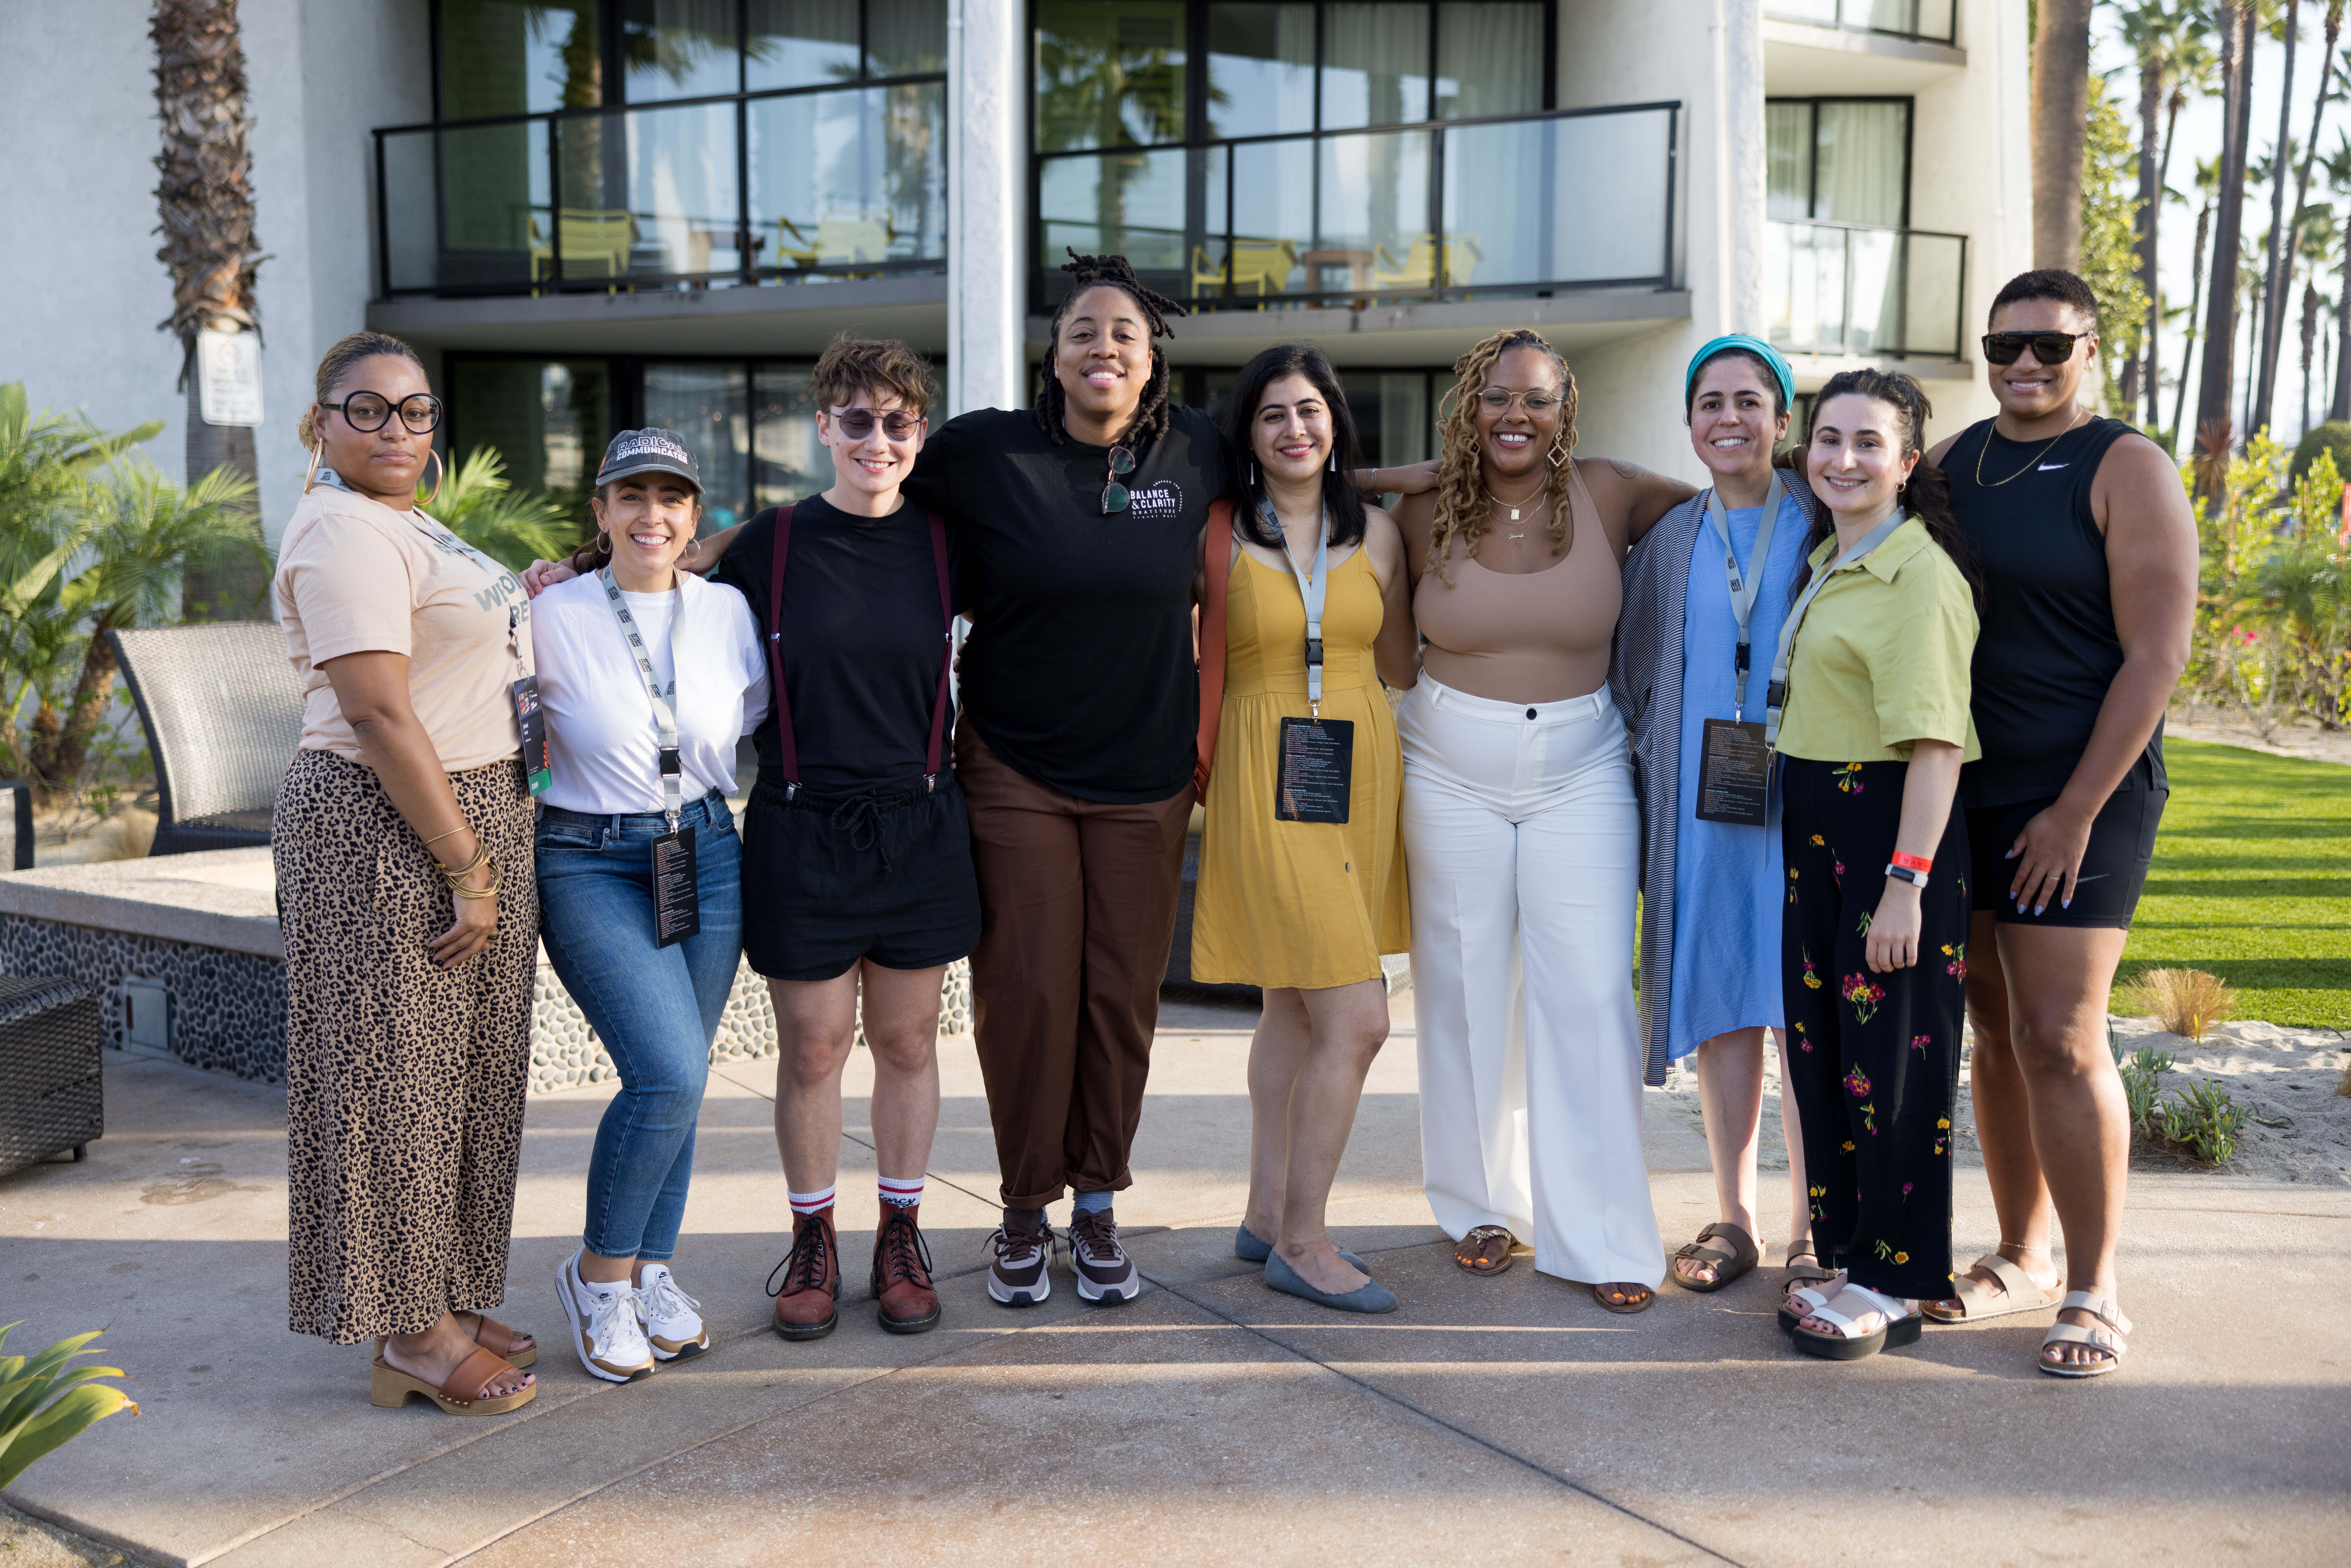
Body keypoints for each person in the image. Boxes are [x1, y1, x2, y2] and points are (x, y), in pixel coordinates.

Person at [1391, 328, 1698, 1314]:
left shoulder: (1612, 492)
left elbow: (1732, 502)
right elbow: (1392, 650)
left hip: (1582, 768)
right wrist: (1413, 470)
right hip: (1446, 767)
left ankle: (1603, 1234)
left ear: (1569, 413)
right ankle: (1480, 1205)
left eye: (1537, 400)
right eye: (1496, 399)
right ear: (1466, 408)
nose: (1516, 416)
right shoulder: (1421, 510)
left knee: (1588, 994)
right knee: (1466, 988)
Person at [1923, 269, 2197, 1377]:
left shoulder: (2125, 466)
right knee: (1991, 1028)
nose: (2024, 366)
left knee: (2062, 1036)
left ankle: (2094, 1285)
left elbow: (2158, 656)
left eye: (2048, 346)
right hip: (1964, 786)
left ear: (2090, 349)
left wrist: (2077, 810)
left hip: (2083, 791)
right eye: (2004, 347)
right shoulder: (1950, 464)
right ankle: (2020, 1252)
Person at [274, 330, 538, 1415]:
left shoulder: (403, 520)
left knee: (469, 1076)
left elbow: (452, 639)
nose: (397, 428)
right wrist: (467, 865)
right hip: (389, 827)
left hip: (472, 809)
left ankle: (456, 1293)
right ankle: (413, 1334)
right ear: (322, 424)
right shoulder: (338, 529)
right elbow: (381, 712)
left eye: (416, 410)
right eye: (368, 408)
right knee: (395, 1082)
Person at [711, 336, 977, 1340]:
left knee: (908, 1040)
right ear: (824, 426)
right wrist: (572, 571)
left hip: (918, 817)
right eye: (857, 420)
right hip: (800, 819)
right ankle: (814, 1238)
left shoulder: (954, 546)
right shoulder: (766, 545)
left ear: (920, 433)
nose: (878, 438)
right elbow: (660, 584)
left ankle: (900, 1235)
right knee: (815, 1048)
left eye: (899, 421)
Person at [531, 429, 765, 1380]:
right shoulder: (549, 611)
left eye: (672, 498)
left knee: (689, 1078)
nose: (652, 515)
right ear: (601, 513)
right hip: (585, 858)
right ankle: (597, 1275)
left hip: (704, 849)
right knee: (666, 1072)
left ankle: (650, 1275)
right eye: (632, 496)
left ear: (694, 517)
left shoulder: (728, 612)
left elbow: (741, 723)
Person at [1190, 344, 1419, 1314]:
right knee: (1359, 1018)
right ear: (1248, 434)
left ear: (1336, 425)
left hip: (1359, 771)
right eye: (1273, 414)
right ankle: (1306, 1239)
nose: (1294, 428)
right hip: (1262, 768)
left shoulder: (1379, 534)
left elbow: (1399, 659)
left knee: (1294, 1002)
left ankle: (1262, 1211)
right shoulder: (1216, 533)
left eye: (1311, 410)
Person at [1771, 368, 1979, 1361]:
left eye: (1868, 443)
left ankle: (1896, 1286)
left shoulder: (1919, 576)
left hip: (1887, 843)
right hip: (1819, 842)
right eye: (1828, 439)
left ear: (1907, 463)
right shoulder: (1830, 556)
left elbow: (1936, 745)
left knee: (1893, 1071)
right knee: (1826, 1062)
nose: (1843, 459)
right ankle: (1854, 1257)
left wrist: (1906, 883)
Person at [1611, 335, 1818, 1297]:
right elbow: (1637, 677)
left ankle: (1815, 1224)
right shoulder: (1668, 542)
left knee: (1805, 1010)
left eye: (1749, 400)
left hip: (1808, 802)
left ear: (1783, 419)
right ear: (1689, 422)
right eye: (1709, 402)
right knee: (1730, 1003)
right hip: (1705, 808)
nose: (1728, 418)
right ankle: (1733, 1215)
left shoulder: (1827, 520)